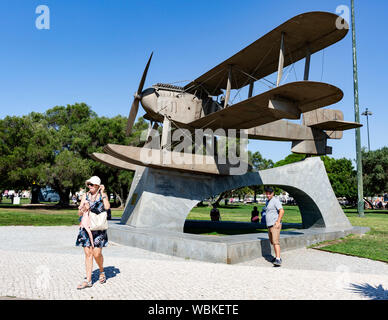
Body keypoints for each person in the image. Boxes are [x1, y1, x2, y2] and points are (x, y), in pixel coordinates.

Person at [76, 176, 110, 289]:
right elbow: (79, 214)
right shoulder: (85, 196)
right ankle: (88, 280)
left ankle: (101, 271)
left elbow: (107, 206)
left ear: (97, 186)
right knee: (88, 254)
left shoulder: (102, 195)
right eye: (88, 184)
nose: (89, 186)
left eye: (92, 184)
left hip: (98, 228)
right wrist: (83, 209)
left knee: (97, 254)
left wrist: (103, 192)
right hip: (86, 228)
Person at [263, 187, 285, 267]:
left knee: (275, 242)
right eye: (267, 193)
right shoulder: (267, 201)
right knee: (272, 242)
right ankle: (276, 257)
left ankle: (278, 259)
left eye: (270, 193)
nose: (268, 195)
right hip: (269, 225)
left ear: (273, 193)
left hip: (274, 225)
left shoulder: (275, 200)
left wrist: (278, 222)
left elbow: (282, 211)